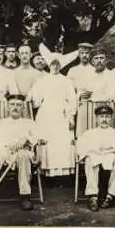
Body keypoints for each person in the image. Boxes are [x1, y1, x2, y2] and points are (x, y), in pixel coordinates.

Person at [0, 94, 45, 210]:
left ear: (23, 108)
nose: (15, 107)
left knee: (23, 156)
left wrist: (27, 140)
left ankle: (25, 196)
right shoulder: (0, 123)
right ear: (8, 107)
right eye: (12, 104)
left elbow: (40, 136)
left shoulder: (28, 123)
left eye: (19, 105)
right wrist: (5, 145)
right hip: (5, 151)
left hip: (23, 152)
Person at [27, 43, 79, 178]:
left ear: (61, 66)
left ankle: (62, 175)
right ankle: (46, 173)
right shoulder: (42, 80)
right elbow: (36, 100)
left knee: (61, 142)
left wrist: (71, 116)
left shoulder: (66, 81)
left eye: (57, 64)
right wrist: (31, 98)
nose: (55, 67)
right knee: (46, 141)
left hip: (62, 113)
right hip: (46, 113)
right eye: (52, 64)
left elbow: (72, 100)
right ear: (49, 65)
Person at [76, 105, 115, 211]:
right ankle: (92, 196)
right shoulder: (90, 132)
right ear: (97, 118)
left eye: (107, 116)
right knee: (89, 159)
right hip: (96, 155)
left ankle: (111, 195)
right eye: (101, 116)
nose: (104, 119)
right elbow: (80, 142)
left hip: (110, 155)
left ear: (111, 118)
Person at [85, 48, 115, 129]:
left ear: (106, 60)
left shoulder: (112, 75)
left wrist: (92, 96)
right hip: (91, 112)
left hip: (109, 112)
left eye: (101, 58)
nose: (99, 61)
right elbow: (86, 93)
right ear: (92, 62)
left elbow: (110, 95)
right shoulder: (89, 76)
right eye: (96, 58)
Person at [67, 43, 96, 137]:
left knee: (92, 131)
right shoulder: (73, 70)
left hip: (93, 104)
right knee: (79, 133)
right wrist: (78, 94)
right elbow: (68, 90)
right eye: (82, 53)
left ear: (90, 55)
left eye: (87, 53)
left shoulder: (95, 70)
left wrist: (92, 93)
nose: (84, 55)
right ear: (79, 55)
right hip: (78, 105)